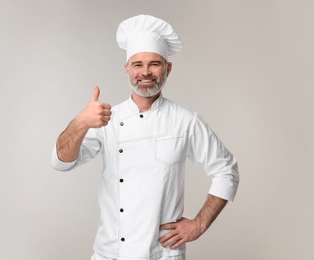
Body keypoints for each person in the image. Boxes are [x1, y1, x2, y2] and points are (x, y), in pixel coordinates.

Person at [51, 14, 239, 260]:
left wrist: (200, 224)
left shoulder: (185, 121)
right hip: (111, 254)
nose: (146, 72)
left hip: (162, 254)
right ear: (127, 69)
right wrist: (81, 123)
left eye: (154, 64)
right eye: (137, 64)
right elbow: (60, 162)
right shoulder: (106, 118)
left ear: (168, 68)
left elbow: (227, 170)